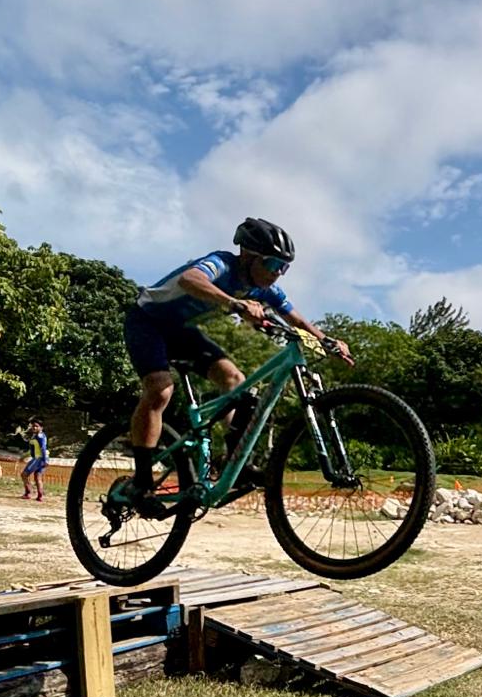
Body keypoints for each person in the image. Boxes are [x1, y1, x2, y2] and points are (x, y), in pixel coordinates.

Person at [124, 217, 352, 508]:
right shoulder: (222, 263)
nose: (277, 274)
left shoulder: (263, 289)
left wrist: (326, 340)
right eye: (272, 264)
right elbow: (189, 280)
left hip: (181, 331)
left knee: (236, 380)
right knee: (160, 389)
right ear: (248, 255)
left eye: (284, 268)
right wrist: (235, 303)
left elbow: (296, 319)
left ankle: (233, 460)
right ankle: (141, 482)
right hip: (147, 321)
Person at [21, 418, 49, 502]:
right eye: (33, 426)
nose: (34, 428)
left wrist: (44, 460)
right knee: (37, 477)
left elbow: (43, 448)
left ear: (41, 427)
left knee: (24, 474)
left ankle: (28, 493)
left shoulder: (39, 436)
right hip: (41, 458)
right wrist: (23, 457)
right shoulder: (36, 436)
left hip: (39, 458)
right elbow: (32, 450)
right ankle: (40, 496)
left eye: (36, 426)